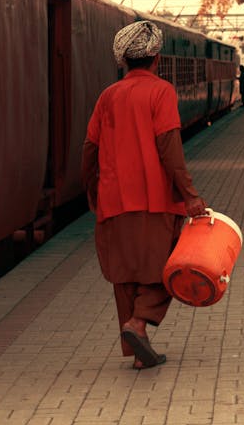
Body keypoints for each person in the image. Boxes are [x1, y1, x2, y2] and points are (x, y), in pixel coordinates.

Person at [81, 20, 207, 370]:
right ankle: (138, 325)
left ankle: (140, 353)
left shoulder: (107, 96)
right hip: (155, 199)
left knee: (125, 275)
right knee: (169, 269)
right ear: (156, 56)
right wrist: (190, 195)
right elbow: (169, 147)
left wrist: (92, 190)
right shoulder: (161, 91)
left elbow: (89, 149)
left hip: (114, 199)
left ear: (124, 60)